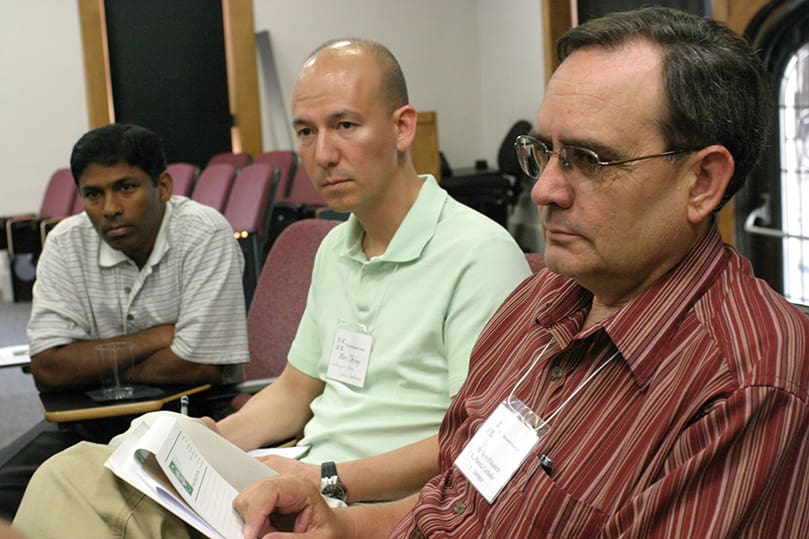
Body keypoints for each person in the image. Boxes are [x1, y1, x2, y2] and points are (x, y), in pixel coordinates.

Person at [225, 7, 809, 538]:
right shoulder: (538, 302)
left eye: (589, 160)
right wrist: (339, 526)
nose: (545, 190)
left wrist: (333, 480)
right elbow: (454, 501)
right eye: (544, 153)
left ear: (702, 183)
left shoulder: (746, 382)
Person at [12, 39, 530, 536]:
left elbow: (480, 441)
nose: (322, 153)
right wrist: (208, 439)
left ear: (402, 127)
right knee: (78, 467)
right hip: (298, 474)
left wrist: (325, 477)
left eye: (345, 125)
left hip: (360, 500)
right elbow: (293, 391)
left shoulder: (478, 253)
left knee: (77, 493)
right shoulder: (336, 248)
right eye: (305, 132)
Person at [0, 123, 250, 520]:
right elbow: (49, 367)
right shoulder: (66, 243)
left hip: (192, 413)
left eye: (126, 188)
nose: (110, 207)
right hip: (89, 418)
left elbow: (199, 364)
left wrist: (87, 362)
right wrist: (156, 338)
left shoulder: (204, 233)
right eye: (93, 194)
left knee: (129, 505)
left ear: (163, 187)